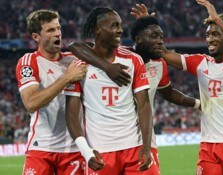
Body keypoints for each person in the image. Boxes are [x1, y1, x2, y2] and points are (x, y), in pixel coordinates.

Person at [132, 0, 223, 174]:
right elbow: (165, 53)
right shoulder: (201, 63)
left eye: (215, 34)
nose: (210, 39)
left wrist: (217, 19)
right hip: (209, 146)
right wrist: (147, 25)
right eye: (208, 35)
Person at [68, 15, 201, 173]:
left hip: (144, 142)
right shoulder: (124, 57)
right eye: (154, 36)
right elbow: (77, 46)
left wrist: (198, 103)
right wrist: (106, 67)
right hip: (108, 143)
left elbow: (169, 93)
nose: (160, 41)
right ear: (138, 39)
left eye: (161, 37)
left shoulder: (159, 66)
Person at [64, 7, 157, 175]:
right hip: (100, 151)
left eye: (120, 25)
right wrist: (86, 151)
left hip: (134, 147)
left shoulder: (133, 60)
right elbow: (71, 116)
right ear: (97, 30)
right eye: (114, 25)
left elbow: (144, 105)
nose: (120, 30)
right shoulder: (79, 67)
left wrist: (146, 145)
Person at [15, 9, 87, 175]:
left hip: (73, 149)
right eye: (50, 30)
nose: (57, 34)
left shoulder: (74, 60)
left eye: (58, 28)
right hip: (41, 148)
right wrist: (66, 78)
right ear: (36, 37)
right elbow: (31, 103)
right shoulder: (29, 62)